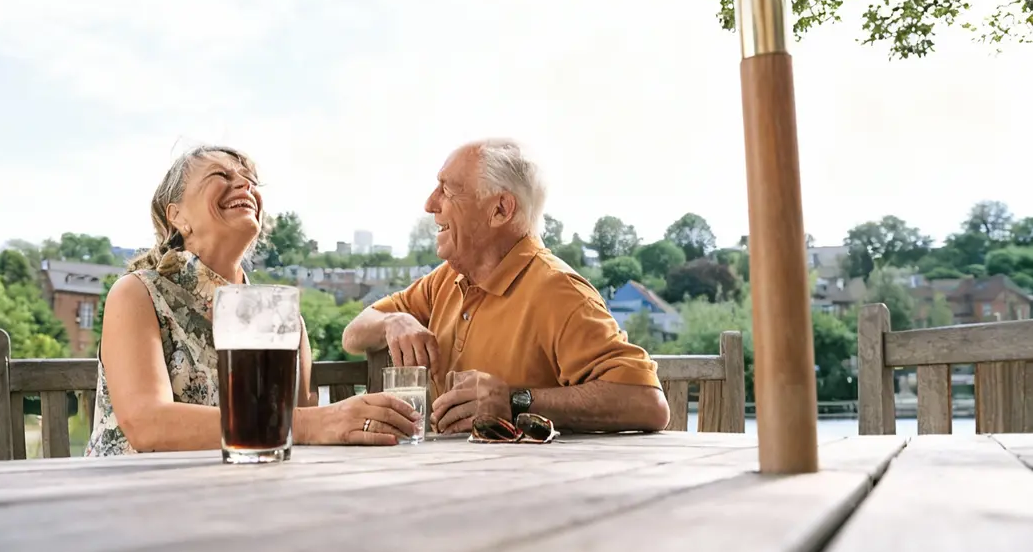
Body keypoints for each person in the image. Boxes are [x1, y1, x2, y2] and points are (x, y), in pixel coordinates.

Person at [86, 145, 420, 456]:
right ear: (176, 215)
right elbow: (147, 424)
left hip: (242, 500)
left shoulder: (286, 320)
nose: (244, 185)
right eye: (221, 176)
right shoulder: (137, 294)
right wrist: (312, 422)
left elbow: (303, 439)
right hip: (132, 500)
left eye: (250, 181)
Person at [342, 138, 670, 435]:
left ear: (500, 209)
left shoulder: (559, 292)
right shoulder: (446, 278)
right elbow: (353, 334)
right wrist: (393, 320)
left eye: (447, 189)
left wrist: (515, 402)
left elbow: (648, 403)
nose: (430, 203)